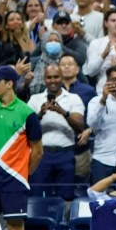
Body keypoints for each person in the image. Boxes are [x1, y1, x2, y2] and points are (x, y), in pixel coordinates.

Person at [0, 66, 42, 230]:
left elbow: (37, 151)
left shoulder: (27, 113)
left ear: (9, 84)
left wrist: (24, 174)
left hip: (14, 181)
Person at [27, 64, 85, 200]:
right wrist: (40, 114)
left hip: (65, 154)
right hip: (40, 154)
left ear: (62, 78)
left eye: (56, 77)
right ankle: (39, 221)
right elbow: (26, 128)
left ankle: (64, 222)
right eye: (49, 77)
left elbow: (80, 127)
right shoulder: (34, 99)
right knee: (37, 195)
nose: (53, 80)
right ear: (44, 79)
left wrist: (63, 112)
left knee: (66, 196)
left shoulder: (73, 98)